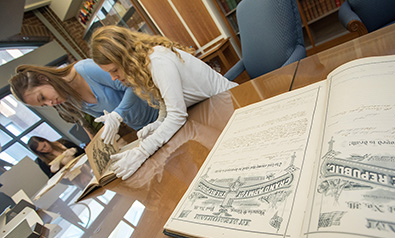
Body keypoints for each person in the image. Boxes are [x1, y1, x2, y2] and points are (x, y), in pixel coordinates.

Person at [90, 25, 239, 180]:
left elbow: (177, 115)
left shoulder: (158, 61)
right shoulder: (148, 61)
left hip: (232, 107)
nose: (114, 77)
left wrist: (142, 151)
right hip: (211, 111)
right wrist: (159, 122)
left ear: (125, 58)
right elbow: (166, 101)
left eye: (114, 70)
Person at [8, 59, 159, 143]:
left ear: (44, 78)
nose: (50, 103)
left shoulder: (85, 70)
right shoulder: (70, 99)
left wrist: (118, 113)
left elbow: (132, 85)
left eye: (43, 97)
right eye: (43, 105)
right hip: (146, 129)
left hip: (161, 110)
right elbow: (107, 115)